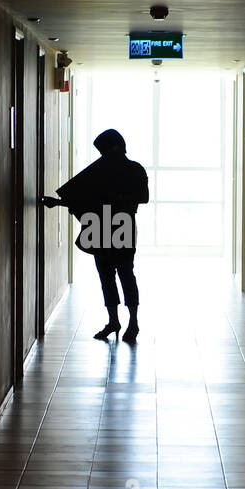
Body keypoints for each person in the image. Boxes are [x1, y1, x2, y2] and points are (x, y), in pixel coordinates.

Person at [42, 128, 149, 342]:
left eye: (104, 150)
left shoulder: (132, 169)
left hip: (119, 226)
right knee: (108, 276)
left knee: (125, 274)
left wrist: (115, 196)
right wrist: (59, 203)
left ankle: (133, 322)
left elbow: (143, 197)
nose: (103, 155)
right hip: (104, 227)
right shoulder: (106, 170)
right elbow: (84, 198)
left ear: (115, 147)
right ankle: (115, 321)